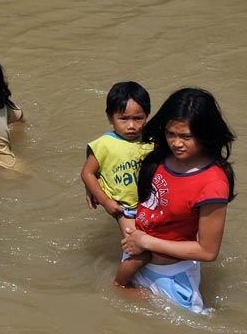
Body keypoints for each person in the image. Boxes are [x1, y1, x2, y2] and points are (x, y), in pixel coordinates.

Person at [120, 87, 236, 313]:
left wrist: (145, 242)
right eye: (171, 134)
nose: (176, 143)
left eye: (186, 137)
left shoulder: (213, 183)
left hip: (170, 278)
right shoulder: (161, 155)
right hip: (136, 254)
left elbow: (208, 251)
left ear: (206, 134)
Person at [80, 81, 154, 287]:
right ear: (110, 118)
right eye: (123, 119)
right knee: (140, 251)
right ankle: (121, 283)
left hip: (150, 206)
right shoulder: (104, 144)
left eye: (138, 118)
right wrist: (105, 201)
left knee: (155, 246)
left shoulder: (151, 141)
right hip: (124, 208)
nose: (131, 126)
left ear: (147, 116)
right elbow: (87, 173)